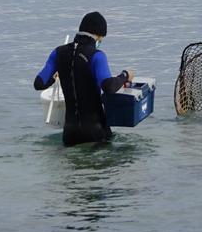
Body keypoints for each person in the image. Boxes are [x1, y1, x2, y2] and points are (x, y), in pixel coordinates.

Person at [33, 11, 131, 147]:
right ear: (97, 36)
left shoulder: (58, 52)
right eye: (101, 38)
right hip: (96, 132)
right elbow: (109, 87)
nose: (101, 41)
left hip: (70, 135)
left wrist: (55, 76)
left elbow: (39, 83)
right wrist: (125, 75)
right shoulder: (97, 56)